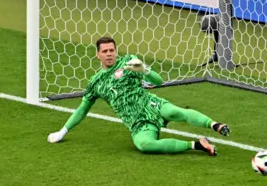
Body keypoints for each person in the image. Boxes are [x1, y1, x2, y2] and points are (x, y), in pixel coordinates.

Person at [47, 37, 230, 156]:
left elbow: (158, 81)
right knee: (144, 145)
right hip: (137, 122)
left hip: (149, 103)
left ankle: (215, 125)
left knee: (175, 112)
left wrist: (144, 69)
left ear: (116, 51)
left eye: (112, 50)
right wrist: (62, 131)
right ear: (98, 55)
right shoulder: (95, 83)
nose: (109, 54)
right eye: (105, 51)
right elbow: (82, 110)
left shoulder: (128, 62)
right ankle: (197, 145)